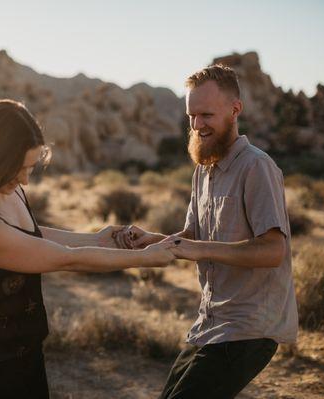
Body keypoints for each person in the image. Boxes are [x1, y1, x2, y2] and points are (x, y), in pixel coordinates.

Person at [0, 99, 176, 399]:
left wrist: (97, 239)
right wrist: (142, 258)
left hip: (21, 347)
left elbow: (32, 236)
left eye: (30, 168)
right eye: (19, 169)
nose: (25, 180)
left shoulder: (6, 187)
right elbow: (66, 261)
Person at [116, 65, 298, 399]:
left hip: (250, 328)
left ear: (235, 110)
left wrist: (199, 249)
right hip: (210, 324)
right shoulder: (204, 169)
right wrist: (151, 239)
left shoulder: (256, 167)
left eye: (206, 115)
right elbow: (192, 234)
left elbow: (274, 250)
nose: (197, 125)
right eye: (191, 116)